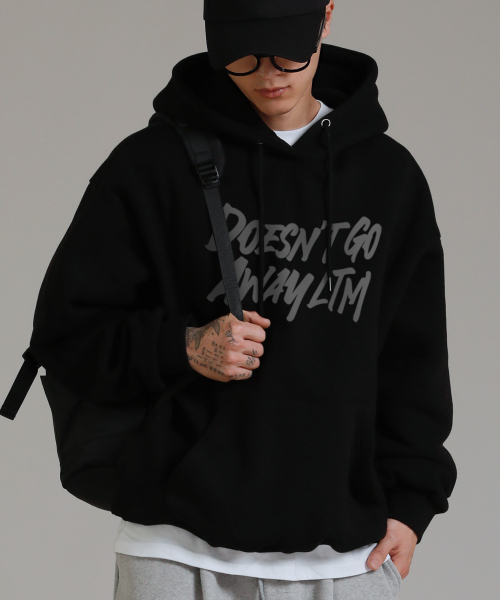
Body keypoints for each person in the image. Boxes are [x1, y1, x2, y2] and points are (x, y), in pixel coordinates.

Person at [27, 1, 457, 598]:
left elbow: (414, 360)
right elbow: (66, 334)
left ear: (325, 17)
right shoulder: (152, 165)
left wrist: (412, 503)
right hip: (174, 549)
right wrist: (184, 346)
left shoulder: (389, 178)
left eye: (287, 53)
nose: (267, 74)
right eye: (242, 57)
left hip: (342, 559)